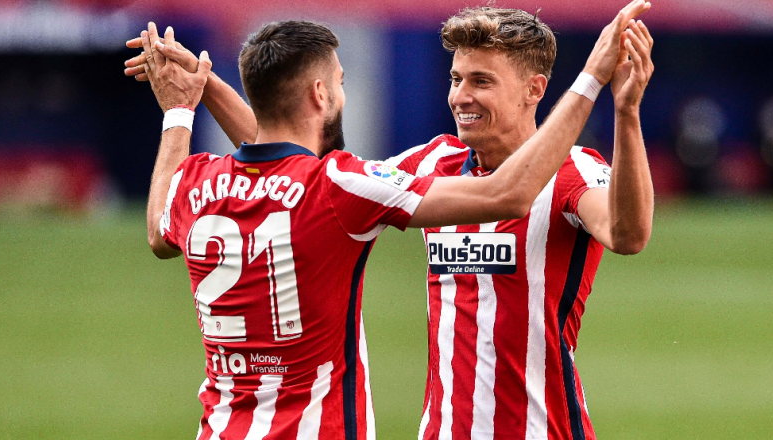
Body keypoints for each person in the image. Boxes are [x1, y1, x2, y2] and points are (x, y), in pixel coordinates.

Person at [136, 8, 637, 439]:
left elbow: (626, 233)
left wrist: (626, 114)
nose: (461, 96)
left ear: (535, 90)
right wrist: (207, 88)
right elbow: (307, 178)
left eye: (481, 82)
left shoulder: (574, 170)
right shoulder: (431, 162)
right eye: (455, 79)